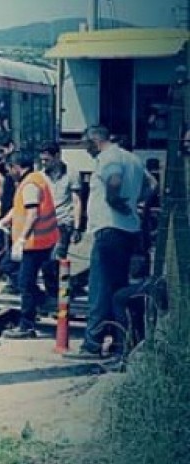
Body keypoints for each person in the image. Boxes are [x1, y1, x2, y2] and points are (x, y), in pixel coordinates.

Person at [67, 126, 150, 360]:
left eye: (86, 144)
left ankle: (92, 345)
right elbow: (151, 185)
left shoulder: (109, 157)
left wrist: (114, 200)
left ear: (95, 140)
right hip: (128, 231)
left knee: (99, 290)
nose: (86, 149)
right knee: (117, 290)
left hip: (109, 231)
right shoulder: (133, 159)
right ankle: (119, 341)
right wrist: (135, 204)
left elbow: (113, 180)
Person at [0, 152, 61, 338]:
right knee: (8, 266)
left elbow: (32, 213)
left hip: (34, 243)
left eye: (9, 169)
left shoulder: (30, 184)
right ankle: (39, 299)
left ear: (16, 166)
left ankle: (27, 325)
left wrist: (21, 239)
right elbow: (19, 208)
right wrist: (4, 222)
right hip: (41, 241)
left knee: (25, 283)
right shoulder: (34, 179)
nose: (9, 173)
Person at [38, 142, 83, 301]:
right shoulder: (41, 175)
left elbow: (77, 201)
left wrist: (77, 227)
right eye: (42, 160)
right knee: (46, 261)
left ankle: (62, 295)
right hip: (44, 224)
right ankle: (55, 294)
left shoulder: (72, 173)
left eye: (47, 160)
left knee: (56, 258)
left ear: (57, 156)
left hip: (63, 222)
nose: (44, 163)